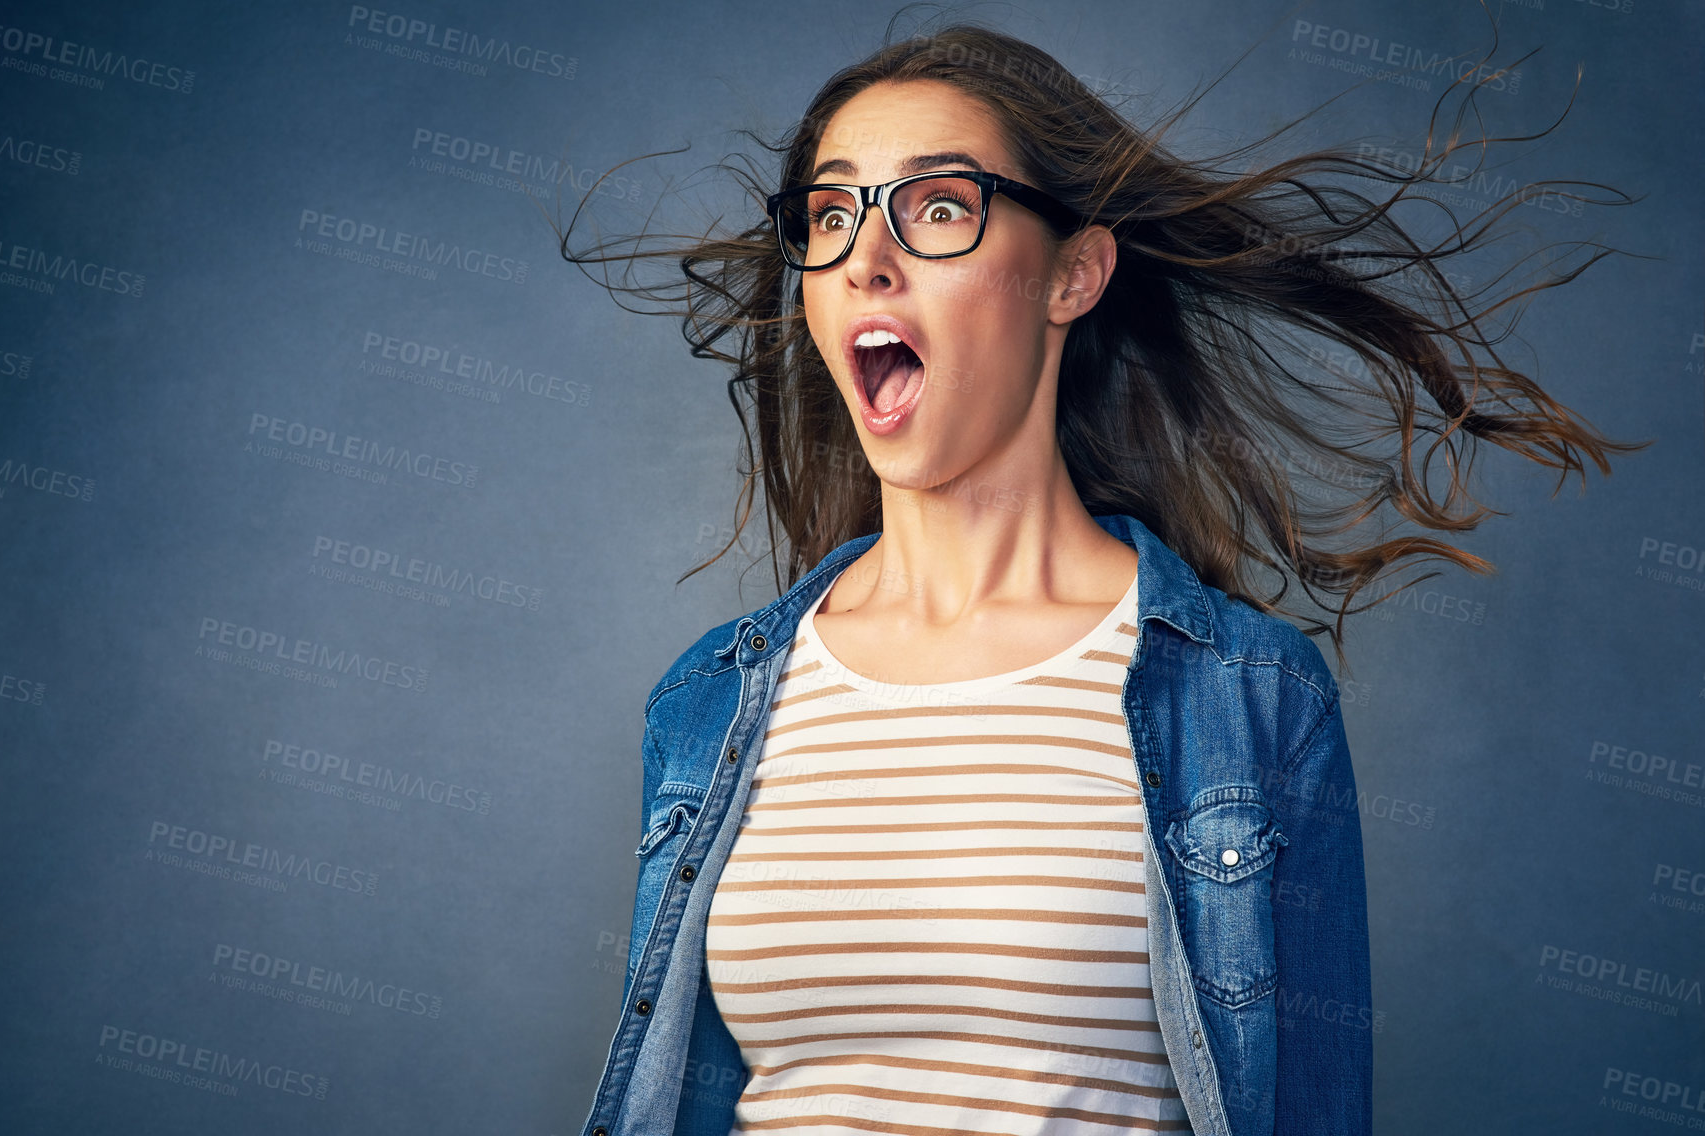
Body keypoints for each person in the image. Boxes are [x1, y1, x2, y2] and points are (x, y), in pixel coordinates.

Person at [565, 17, 1644, 1136]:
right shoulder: (708, 702)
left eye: (938, 206)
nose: (867, 259)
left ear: (1073, 273)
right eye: (832, 215)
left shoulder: (1251, 698)